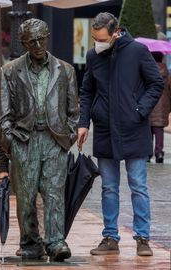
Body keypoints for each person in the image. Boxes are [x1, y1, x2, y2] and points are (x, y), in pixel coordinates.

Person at [77, 12, 163, 257]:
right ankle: (110, 236)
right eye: (95, 38)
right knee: (108, 187)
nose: (97, 42)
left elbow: (155, 83)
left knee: (138, 185)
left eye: (101, 38)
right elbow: (87, 91)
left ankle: (143, 237)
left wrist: (140, 110)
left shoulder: (137, 51)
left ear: (116, 32)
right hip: (104, 129)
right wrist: (84, 122)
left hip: (133, 128)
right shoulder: (94, 55)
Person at [0, 18, 79, 261]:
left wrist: (68, 136)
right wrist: (12, 143)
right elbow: (2, 115)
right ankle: (30, 242)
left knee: (54, 194)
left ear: (48, 36)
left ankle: (55, 242)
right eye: (32, 41)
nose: (39, 44)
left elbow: (73, 110)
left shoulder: (66, 70)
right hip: (25, 139)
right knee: (26, 197)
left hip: (55, 139)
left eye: (42, 38)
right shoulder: (9, 71)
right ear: (24, 43)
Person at [149, 52, 171, 163]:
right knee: (159, 130)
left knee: (148, 130)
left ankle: (147, 153)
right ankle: (159, 152)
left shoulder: (147, 71)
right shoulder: (167, 73)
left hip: (149, 104)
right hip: (163, 106)